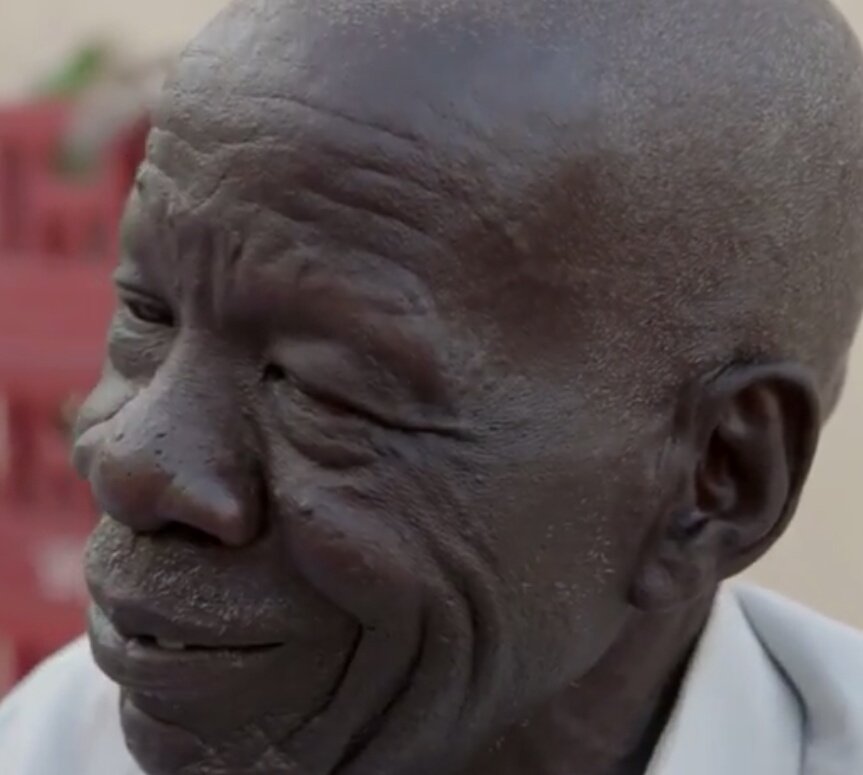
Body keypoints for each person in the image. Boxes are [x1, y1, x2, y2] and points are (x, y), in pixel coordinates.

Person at [2, 0, 863, 772]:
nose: (127, 459)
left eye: (324, 385)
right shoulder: (50, 742)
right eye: (147, 313)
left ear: (716, 479)